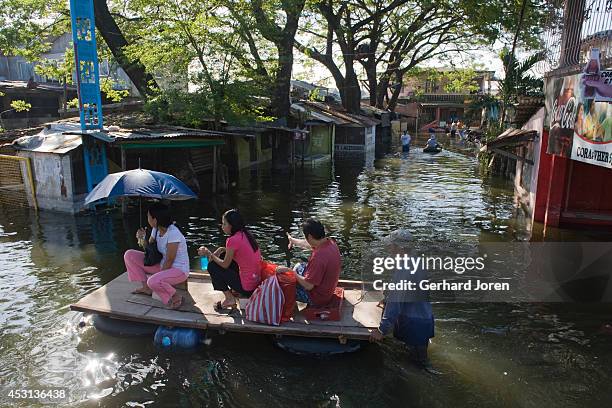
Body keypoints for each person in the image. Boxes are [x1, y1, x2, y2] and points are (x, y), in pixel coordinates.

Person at [369, 229, 437, 373]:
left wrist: (381, 330)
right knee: (418, 361)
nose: (389, 249)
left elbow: (396, 303)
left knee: (419, 368)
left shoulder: (404, 268)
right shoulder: (416, 261)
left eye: (391, 246)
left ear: (399, 248)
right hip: (424, 319)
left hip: (413, 324)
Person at [124, 202, 188, 309]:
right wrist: (141, 238)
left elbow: (170, 260)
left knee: (153, 281)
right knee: (129, 255)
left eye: (148, 216)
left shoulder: (173, 233)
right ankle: (146, 288)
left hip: (178, 270)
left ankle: (176, 296)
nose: (147, 219)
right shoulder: (156, 229)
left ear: (155, 220)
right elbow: (150, 251)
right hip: (162, 265)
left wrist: (158, 278)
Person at [198, 209, 261, 310]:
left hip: (247, 287)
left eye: (224, 224)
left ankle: (229, 298)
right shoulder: (245, 234)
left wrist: (209, 253)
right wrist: (222, 249)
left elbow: (225, 265)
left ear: (231, 225)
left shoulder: (232, 240)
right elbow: (238, 253)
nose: (222, 226)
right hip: (255, 282)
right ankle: (235, 290)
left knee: (212, 266)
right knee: (222, 255)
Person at [276, 219, 341, 306]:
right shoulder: (330, 242)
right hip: (327, 290)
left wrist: (290, 271)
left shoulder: (318, 257)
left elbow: (309, 286)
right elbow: (309, 244)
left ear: (310, 236)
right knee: (299, 265)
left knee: (283, 286)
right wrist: (292, 240)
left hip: (318, 298)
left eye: (305, 236)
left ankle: (289, 312)